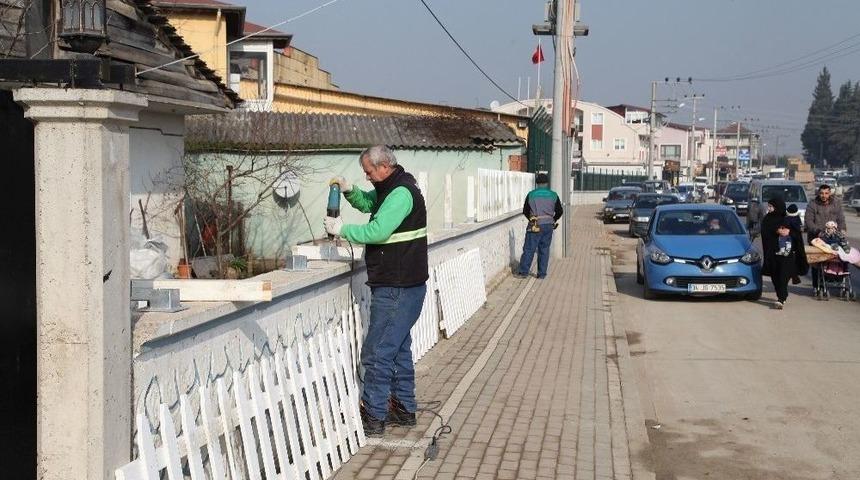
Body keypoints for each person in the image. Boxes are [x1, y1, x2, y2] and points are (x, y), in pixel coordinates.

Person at [324, 145, 428, 437]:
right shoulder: (392, 188)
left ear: (384, 167)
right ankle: (404, 409)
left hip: (397, 286)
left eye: (369, 172)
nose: (367, 177)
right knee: (399, 350)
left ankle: (373, 415)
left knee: (379, 352)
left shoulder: (400, 194)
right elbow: (369, 203)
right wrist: (349, 191)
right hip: (406, 285)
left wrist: (342, 229)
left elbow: (377, 231)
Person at [514, 173, 563, 279]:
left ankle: (524, 272)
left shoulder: (531, 194)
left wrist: (532, 219)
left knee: (529, 249)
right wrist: (553, 220)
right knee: (544, 249)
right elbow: (560, 211)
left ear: (537, 183)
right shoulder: (554, 195)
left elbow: (525, 211)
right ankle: (541, 274)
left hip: (535, 225)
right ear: (547, 183)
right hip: (548, 226)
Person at [761, 197, 808, 308]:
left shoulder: (787, 219)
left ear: (777, 207)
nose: (769, 208)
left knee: (783, 276)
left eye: (771, 206)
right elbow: (765, 232)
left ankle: (781, 299)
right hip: (772, 253)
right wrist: (776, 231)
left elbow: (797, 235)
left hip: (786, 254)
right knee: (775, 276)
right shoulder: (767, 219)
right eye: (768, 206)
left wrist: (789, 232)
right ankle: (781, 294)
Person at [805, 184, 847, 289]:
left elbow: (841, 219)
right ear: (818, 193)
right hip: (817, 238)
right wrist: (817, 231)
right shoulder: (812, 204)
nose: (824, 195)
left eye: (826, 193)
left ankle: (838, 279)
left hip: (833, 237)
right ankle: (816, 285)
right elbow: (808, 221)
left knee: (838, 258)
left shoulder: (836, 203)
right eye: (822, 193)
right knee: (816, 262)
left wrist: (842, 230)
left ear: (830, 193)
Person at [785, 204, 803, 284]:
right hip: (797, 243)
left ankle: (792, 276)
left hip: (788, 242)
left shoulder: (786, 219)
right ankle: (794, 276)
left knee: (788, 260)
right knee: (794, 260)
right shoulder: (797, 219)